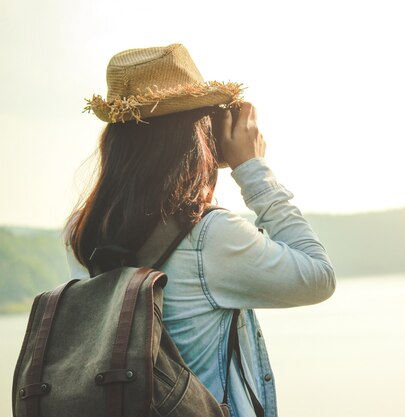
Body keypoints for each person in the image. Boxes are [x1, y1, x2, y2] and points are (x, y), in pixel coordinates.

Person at [65, 43, 336, 417]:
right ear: (196, 133)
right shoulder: (209, 236)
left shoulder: (84, 230)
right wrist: (252, 168)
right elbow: (319, 278)